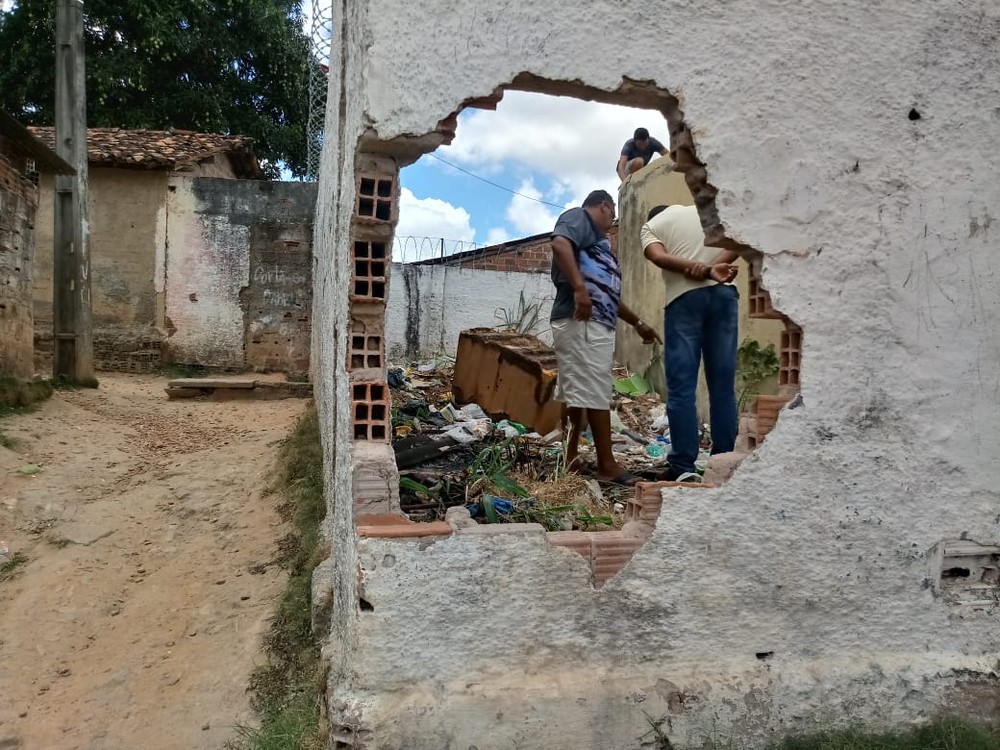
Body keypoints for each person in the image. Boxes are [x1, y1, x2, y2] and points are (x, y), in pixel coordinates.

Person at [550, 190, 661, 485]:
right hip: (582, 319)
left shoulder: (598, 246)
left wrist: (638, 323)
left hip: (593, 321)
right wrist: (579, 289)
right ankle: (606, 464)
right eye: (612, 215)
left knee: (577, 391)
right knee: (595, 389)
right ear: (603, 206)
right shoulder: (579, 218)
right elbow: (560, 243)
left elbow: (609, 295)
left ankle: (570, 457)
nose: (612, 222)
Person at [640, 204, 740, 481]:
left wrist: (702, 270)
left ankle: (683, 466)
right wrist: (713, 267)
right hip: (724, 297)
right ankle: (724, 464)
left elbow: (658, 257)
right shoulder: (709, 212)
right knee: (723, 386)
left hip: (683, 301)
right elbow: (740, 237)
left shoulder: (652, 226)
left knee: (682, 388)